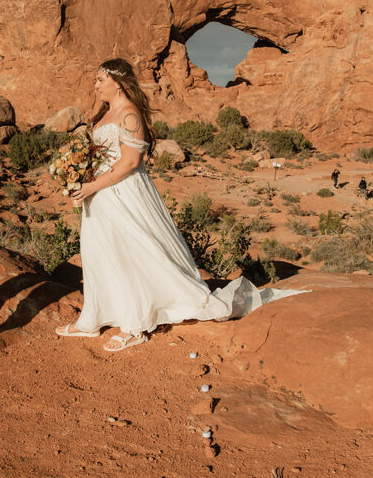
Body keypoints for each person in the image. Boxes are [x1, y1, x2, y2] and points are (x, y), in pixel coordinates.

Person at [55, 58, 301, 353]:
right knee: (99, 252)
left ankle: (134, 325)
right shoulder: (106, 115)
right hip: (100, 196)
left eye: (100, 80)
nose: (95, 85)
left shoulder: (130, 114)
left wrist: (92, 185)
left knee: (131, 252)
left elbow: (131, 162)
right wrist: (79, 177)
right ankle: (91, 319)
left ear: (117, 83)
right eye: (95, 80)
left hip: (124, 194)